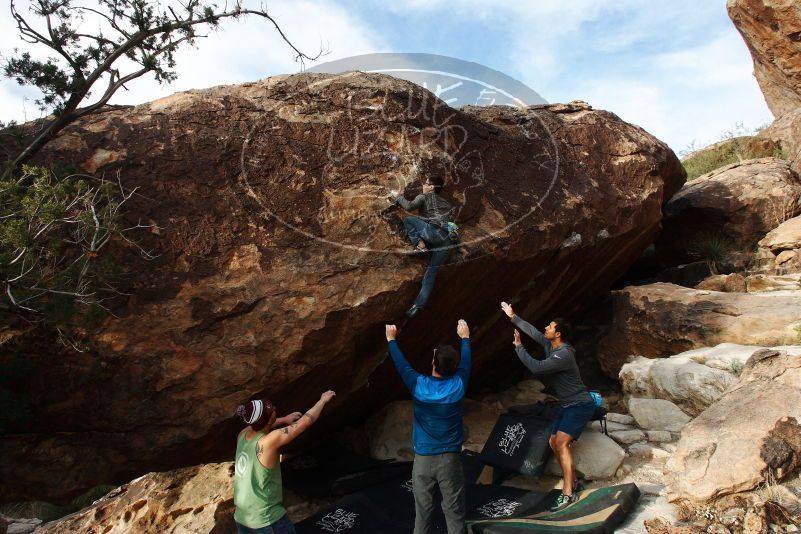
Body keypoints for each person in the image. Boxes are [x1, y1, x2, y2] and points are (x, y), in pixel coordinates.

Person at [500, 301, 595, 511]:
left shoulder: (564, 354)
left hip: (580, 404)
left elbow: (537, 367)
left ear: (558, 334)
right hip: (567, 404)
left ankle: (568, 492)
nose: (546, 328)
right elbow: (533, 331)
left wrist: (518, 347)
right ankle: (575, 480)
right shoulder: (550, 345)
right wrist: (513, 316)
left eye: (550, 327)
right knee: (554, 442)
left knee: (561, 443)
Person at [385, 319, 471, 534]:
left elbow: (401, 365)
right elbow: (466, 362)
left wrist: (391, 340)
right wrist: (465, 338)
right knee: (454, 513)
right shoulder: (459, 384)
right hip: (450, 459)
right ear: (454, 367)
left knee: (422, 513)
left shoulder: (419, 386)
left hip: (423, 460)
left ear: (433, 364)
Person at [233, 391, 336, 533]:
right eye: (272, 410)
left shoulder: (243, 434)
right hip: (266, 520)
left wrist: (283, 419)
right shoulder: (267, 442)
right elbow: (304, 422)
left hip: (242, 517)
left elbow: (261, 424)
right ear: (269, 420)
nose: (275, 409)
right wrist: (322, 401)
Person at [390, 175, 458, 318]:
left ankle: (420, 246)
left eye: (426, 183)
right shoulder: (446, 203)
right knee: (431, 272)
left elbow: (408, 206)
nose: (423, 185)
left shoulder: (424, 196)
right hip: (448, 241)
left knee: (408, 219)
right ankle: (417, 306)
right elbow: (451, 223)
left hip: (434, 234)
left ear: (431, 187)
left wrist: (398, 196)